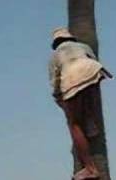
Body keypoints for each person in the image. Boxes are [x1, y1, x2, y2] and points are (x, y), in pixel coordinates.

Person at [48, 28, 112, 180]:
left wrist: (61, 102)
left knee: (74, 124)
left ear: (56, 43)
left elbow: (55, 84)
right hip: (93, 71)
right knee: (87, 90)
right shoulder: (83, 46)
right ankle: (90, 122)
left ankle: (91, 169)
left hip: (71, 79)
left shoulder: (55, 56)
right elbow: (94, 61)